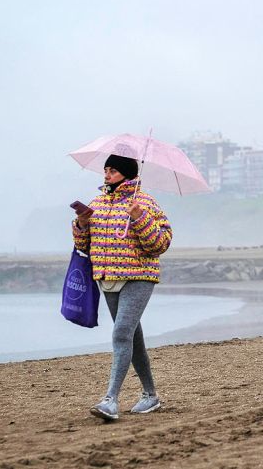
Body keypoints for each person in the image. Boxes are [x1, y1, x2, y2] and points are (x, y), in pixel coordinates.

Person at [72, 154, 173, 421]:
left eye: (113, 171)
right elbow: (84, 247)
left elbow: (160, 244)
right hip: (107, 277)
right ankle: (150, 396)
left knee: (121, 334)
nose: (106, 175)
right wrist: (81, 224)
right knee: (131, 338)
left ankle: (110, 400)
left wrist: (140, 218)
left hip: (139, 276)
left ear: (127, 174)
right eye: (105, 170)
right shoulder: (97, 204)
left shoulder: (146, 202)